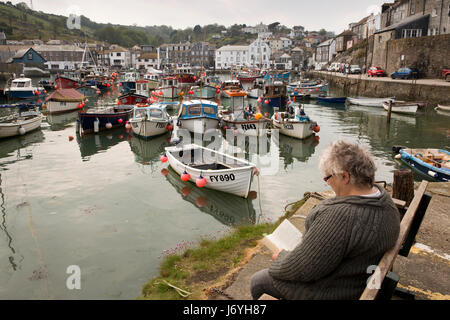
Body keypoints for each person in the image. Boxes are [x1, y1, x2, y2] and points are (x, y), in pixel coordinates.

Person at [250, 140, 400, 300]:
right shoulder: (384, 200)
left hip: (340, 291)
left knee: (259, 281)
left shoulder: (341, 217)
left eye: (328, 177)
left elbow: (300, 267)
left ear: (345, 176)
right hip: (362, 278)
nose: (328, 183)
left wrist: (280, 257)